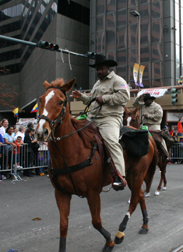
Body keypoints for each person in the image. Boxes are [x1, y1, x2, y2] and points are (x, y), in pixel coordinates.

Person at [71, 54, 130, 190]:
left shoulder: (117, 80)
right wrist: (82, 97)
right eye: (97, 69)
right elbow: (93, 100)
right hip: (92, 118)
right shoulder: (97, 83)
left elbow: (124, 96)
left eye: (101, 68)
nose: (99, 71)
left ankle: (120, 176)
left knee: (111, 141)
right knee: (76, 135)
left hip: (109, 118)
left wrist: (106, 98)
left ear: (108, 68)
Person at [132, 93, 169, 158]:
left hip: (154, 125)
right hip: (143, 125)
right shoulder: (142, 106)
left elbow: (159, 115)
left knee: (159, 138)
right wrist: (139, 97)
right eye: (144, 100)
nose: (145, 102)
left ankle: (166, 154)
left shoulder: (157, 106)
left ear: (150, 100)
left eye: (146, 100)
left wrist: (149, 116)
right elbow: (134, 103)